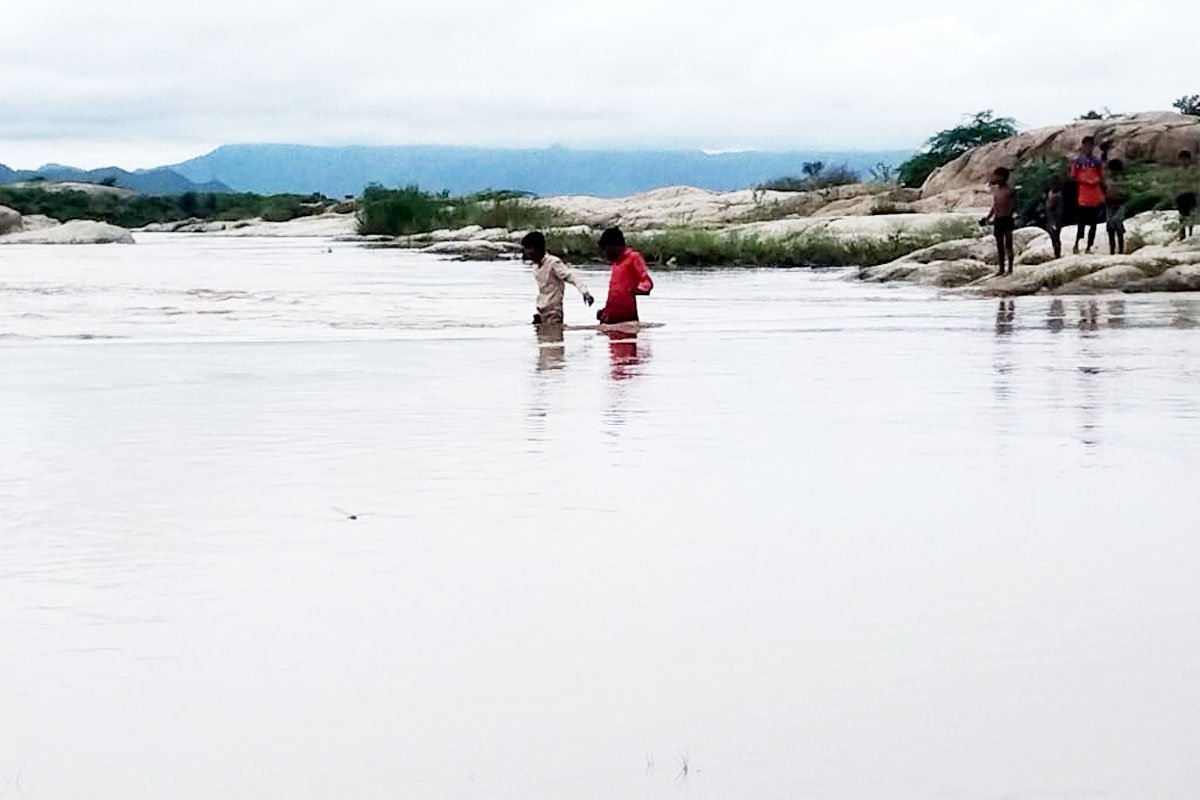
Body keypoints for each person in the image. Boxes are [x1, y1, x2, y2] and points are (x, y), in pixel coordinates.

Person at [521, 231, 593, 325]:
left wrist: (585, 292)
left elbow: (571, 277)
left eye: (528, 249)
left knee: (553, 338)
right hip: (541, 311)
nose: (526, 253)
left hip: (553, 312)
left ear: (536, 248)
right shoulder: (536, 267)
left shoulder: (553, 263)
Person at [596, 228, 653, 324]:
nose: (605, 254)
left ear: (615, 247)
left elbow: (647, 281)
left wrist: (637, 289)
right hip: (612, 317)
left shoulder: (633, 258)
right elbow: (615, 293)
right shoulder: (616, 264)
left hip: (627, 317)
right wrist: (606, 310)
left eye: (607, 250)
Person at [1069, 136, 1105, 254]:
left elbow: (1101, 176)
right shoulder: (1078, 161)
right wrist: (1085, 180)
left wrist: (1095, 181)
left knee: (1093, 224)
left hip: (1095, 196)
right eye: (1087, 145)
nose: (1089, 148)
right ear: (1083, 146)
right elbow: (1073, 176)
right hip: (1083, 196)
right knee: (1081, 223)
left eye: (1091, 145)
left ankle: (1089, 247)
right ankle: (1076, 245)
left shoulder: (1097, 161)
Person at [982, 167, 1018, 275]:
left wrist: (1013, 216)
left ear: (1003, 177)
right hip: (998, 219)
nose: (995, 178)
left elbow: (1015, 205)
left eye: (997, 176)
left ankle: (1010, 268)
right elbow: (995, 205)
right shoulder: (996, 190)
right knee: (999, 244)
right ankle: (1001, 268)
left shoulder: (1010, 190)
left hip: (1007, 218)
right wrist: (989, 217)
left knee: (1008, 243)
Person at [1104, 158, 1127, 255]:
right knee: (1110, 226)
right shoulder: (1107, 180)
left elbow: (1125, 193)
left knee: (1118, 225)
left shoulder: (1122, 181)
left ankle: (1120, 249)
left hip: (1119, 203)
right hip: (1109, 203)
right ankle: (1112, 249)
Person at [1176, 150, 1197, 241]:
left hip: (1190, 194)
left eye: (1185, 159)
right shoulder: (1178, 171)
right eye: (1182, 159)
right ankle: (1182, 234)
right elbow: (1174, 183)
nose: (1184, 161)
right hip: (1181, 195)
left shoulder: (1193, 170)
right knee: (1182, 215)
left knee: (1191, 214)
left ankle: (1191, 233)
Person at [1045, 180, 1065, 259]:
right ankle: (1056, 253)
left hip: (1055, 219)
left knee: (1055, 237)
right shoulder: (1053, 194)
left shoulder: (1057, 196)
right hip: (1052, 218)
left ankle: (1057, 254)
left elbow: (1052, 207)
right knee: (1054, 237)